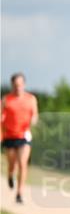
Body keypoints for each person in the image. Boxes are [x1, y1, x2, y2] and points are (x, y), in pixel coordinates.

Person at [1, 72, 39, 204]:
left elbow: (35, 115)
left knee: (23, 163)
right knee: (12, 163)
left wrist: (33, 120)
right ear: (12, 85)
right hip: (9, 136)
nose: (18, 87)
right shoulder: (6, 100)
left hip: (24, 136)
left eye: (20, 85)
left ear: (24, 84)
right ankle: (10, 175)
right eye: (16, 85)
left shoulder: (31, 99)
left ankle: (19, 193)